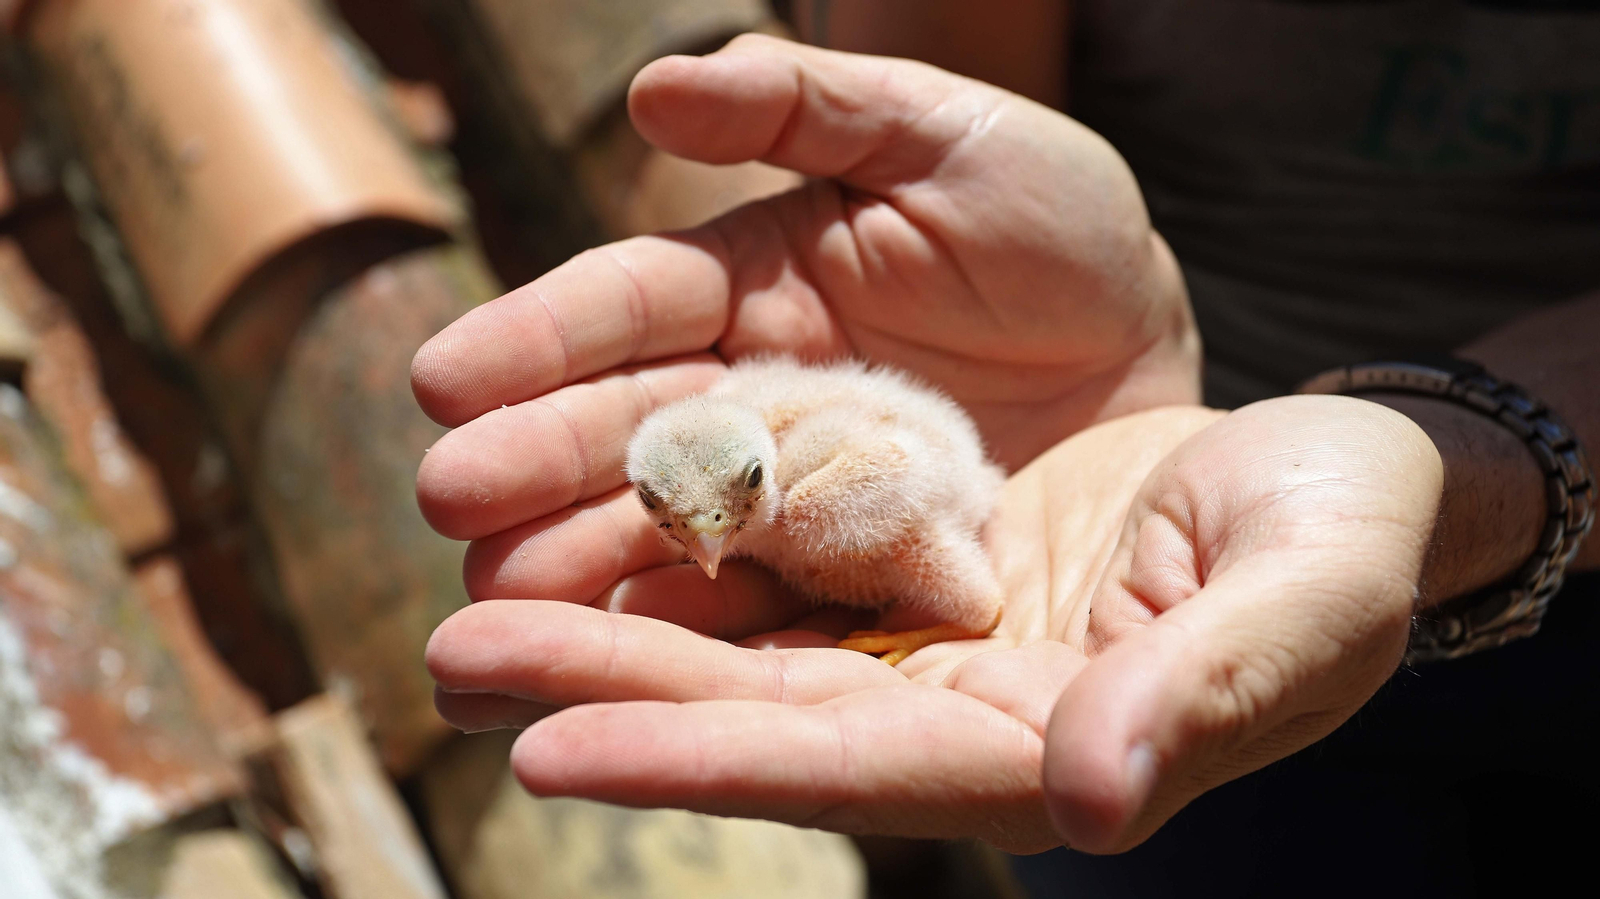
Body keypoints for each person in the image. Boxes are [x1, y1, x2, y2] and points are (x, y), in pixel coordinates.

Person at [411, 20, 1598, 895]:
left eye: (726, 512)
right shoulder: (773, 458)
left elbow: (967, 589)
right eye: (682, 525)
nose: (707, 546)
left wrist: (1472, 449)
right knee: (1118, 806)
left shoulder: (833, 497)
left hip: (1278, 509)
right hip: (1139, 578)